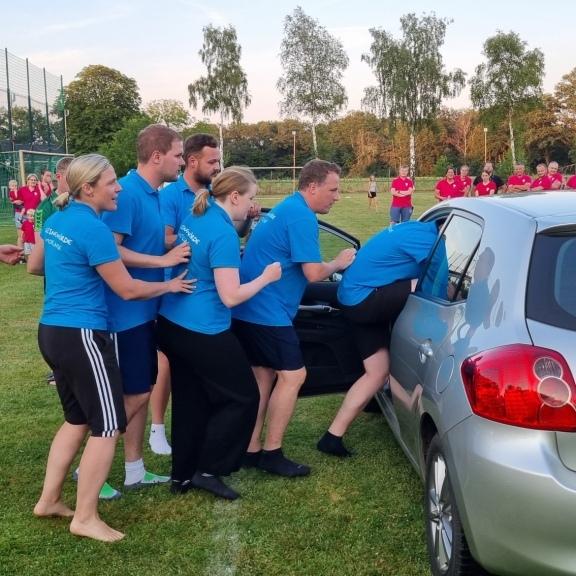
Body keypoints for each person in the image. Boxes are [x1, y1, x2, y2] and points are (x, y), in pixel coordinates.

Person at [27, 154, 193, 543]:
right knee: (106, 425)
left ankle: (49, 500)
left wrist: (71, 264)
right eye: (111, 182)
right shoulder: (94, 229)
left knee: (76, 420)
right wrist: (168, 284)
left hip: (51, 331)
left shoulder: (57, 219)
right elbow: (127, 289)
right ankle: (85, 517)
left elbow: (35, 266)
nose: (118, 188)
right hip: (82, 335)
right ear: (88, 189)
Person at [158, 167, 282, 500]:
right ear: (235, 196)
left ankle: (182, 474)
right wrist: (267, 277)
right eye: (252, 198)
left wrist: (244, 225)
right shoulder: (223, 234)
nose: (254, 205)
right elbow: (231, 296)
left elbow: (210, 251)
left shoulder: (200, 213)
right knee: (243, 397)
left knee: (190, 399)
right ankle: (209, 469)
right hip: (203, 329)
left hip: (172, 321)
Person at [232, 159, 356, 477]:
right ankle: (272, 453)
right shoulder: (302, 217)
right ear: (312, 187)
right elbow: (313, 273)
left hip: (248, 308)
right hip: (266, 311)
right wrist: (338, 262)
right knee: (293, 376)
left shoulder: (287, 207)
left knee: (263, 376)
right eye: (333, 190)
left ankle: (250, 448)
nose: (337, 196)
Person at [102, 124, 191, 495]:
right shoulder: (126, 193)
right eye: (178, 155)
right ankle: (90, 463)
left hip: (146, 309)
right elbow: (109, 248)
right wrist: (162, 262)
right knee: (132, 394)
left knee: (141, 387)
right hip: (123, 313)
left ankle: (134, 469)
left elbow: (155, 241)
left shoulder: (155, 194)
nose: (182, 162)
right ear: (157, 156)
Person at [317, 220, 441, 456]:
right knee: (421, 283)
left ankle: (332, 437)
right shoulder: (430, 240)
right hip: (363, 299)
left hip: (351, 295)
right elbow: (438, 283)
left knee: (377, 371)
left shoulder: (414, 227)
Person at [150, 133, 221, 456]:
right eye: (212, 161)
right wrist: (196, 240)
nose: (217, 167)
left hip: (205, 290)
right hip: (174, 288)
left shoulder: (213, 193)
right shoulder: (170, 196)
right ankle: (157, 428)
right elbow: (163, 239)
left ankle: (196, 425)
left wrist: (243, 222)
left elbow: (227, 233)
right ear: (193, 162)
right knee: (166, 361)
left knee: (193, 367)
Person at [34, 157, 74, 236]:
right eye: (71, 177)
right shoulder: (43, 208)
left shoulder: (84, 200)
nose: (76, 181)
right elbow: (39, 240)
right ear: (58, 177)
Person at [8, 179, 24, 248]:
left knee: (23, 208)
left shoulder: (19, 191)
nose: (14, 187)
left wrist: (20, 201)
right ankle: (20, 248)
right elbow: (12, 201)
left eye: (15, 186)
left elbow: (21, 199)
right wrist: (15, 201)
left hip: (21, 207)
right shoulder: (11, 193)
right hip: (17, 209)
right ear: (9, 187)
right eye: (12, 186)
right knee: (20, 233)